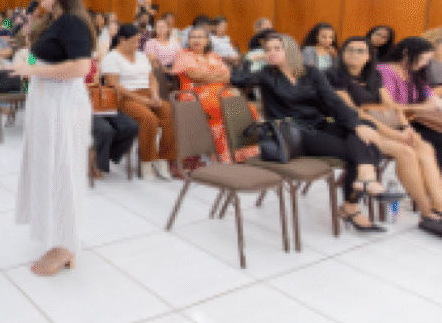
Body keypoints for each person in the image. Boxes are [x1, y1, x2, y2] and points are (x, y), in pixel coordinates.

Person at [231, 33, 385, 232]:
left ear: (290, 50)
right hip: (294, 134)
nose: (271, 53)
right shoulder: (266, 74)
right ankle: (354, 202)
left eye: (277, 48)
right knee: (362, 149)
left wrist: (356, 125)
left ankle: (364, 179)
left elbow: (333, 101)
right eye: (268, 50)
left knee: (366, 128)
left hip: (317, 124)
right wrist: (251, 58)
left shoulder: (310, 72)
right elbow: (238, 80)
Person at [3, 0, 94, 276]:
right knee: (47, 169)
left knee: (62, 170)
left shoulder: (73, 22)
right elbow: (44, 57)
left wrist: (35, 71)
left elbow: (81, 67)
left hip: (63, 105)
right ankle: (55, 235)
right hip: (46, 101)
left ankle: (66, 245)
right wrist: (26, 59)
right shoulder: (52, 21)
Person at [327, 37, 442, 235]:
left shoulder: (373, 76)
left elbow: (391, 106)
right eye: (350, 49)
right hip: (357, 130)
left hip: (384, 127)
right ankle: (426, 213)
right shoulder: (334, 76)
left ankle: (439, 206)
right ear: (342, 52)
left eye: (360, 51)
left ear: (369, 56)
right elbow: (355, 113)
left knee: (425, 148)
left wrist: (406, 128)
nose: (354, 53)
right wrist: (393, 134)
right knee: (406, 151)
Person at [172, 27, 259, 165]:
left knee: (249, 108)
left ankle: (241, 153)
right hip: (194, 95)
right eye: (193, 37)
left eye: (200, 37)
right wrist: (215, 77)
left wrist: (208, 78)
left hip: (219, 92)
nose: (196, 40)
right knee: (218, 108)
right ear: (188, 40)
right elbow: (194, 75)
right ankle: (223, 155)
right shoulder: (184, 55)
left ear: (207, 41)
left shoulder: (213, 55)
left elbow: (227, 77)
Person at [102, 24, 176, 180]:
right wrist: (142, 100)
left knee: (170, 113)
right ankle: (147, 161)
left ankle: (163, 159)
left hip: (148, 94)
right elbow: (115, 86)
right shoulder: (111, 58)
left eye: (139, 42)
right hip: (125, 98)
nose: (137, 45)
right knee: (149, 119)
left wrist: (154, 95)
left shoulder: (141, 56)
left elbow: (152, 79)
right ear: (122, 40)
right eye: (134, 42)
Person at [377, 37, 442, 167]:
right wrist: (422, 107)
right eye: (423, 59)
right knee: (437, 141)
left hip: (414, 120)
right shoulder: (384, 71)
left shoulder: (415, 74)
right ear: (406, 53)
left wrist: (415, 108)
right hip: (395, 124)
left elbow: (432, 98)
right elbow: (391, 106)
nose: (425, 63)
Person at [86, 55, 139, 176]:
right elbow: (32, 63)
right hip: (79, 105)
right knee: (105, 130)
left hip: (100, 102)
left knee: (131, 126)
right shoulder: (39, 56)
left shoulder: (91, 60)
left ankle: (106, 155)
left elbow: (96, 81)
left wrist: (97, 75)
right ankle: (98, 164)